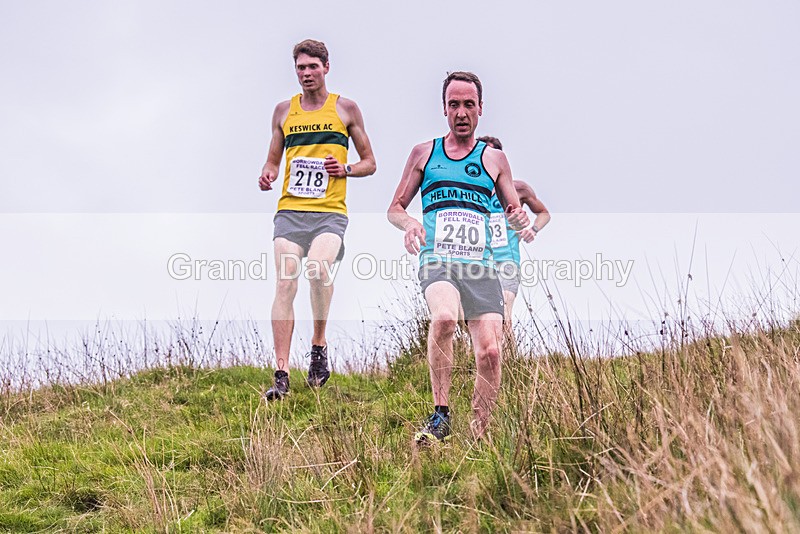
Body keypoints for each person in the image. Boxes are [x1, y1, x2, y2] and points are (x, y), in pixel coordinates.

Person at [387, 72, 529, 443]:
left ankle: (479, 431)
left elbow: (512, 208)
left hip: (482, 267)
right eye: (454, 104)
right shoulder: (424, 153)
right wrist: (410, 224)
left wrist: (519, 217)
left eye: (469, 104)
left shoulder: (495, 159)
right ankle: (440, 415)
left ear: (481, 109)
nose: (461, 112)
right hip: (438, 260)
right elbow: (395, 207)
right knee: (446, 317)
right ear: (444, 109)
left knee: (492, 352)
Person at [258, 39, 376, 400]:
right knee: (284, 283)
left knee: (319, 271)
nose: (306, 74)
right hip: (291, 211)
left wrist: (345, 169)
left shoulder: (346, 109)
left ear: (326, 67)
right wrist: (267, 173)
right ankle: (281, 375)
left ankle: (318, 348)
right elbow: (273, 160)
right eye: (300, 68)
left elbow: (370, 162)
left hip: (329, 213)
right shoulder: (283, 112)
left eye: (312, 67)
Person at [477, 136, 551, 345]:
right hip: (480, 263)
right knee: (476, 319)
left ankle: (511, 363)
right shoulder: (473, 191)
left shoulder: (517, 189)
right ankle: (484, 358)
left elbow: (544, 213)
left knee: (503, 312)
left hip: (507, 261)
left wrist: (533, 230)